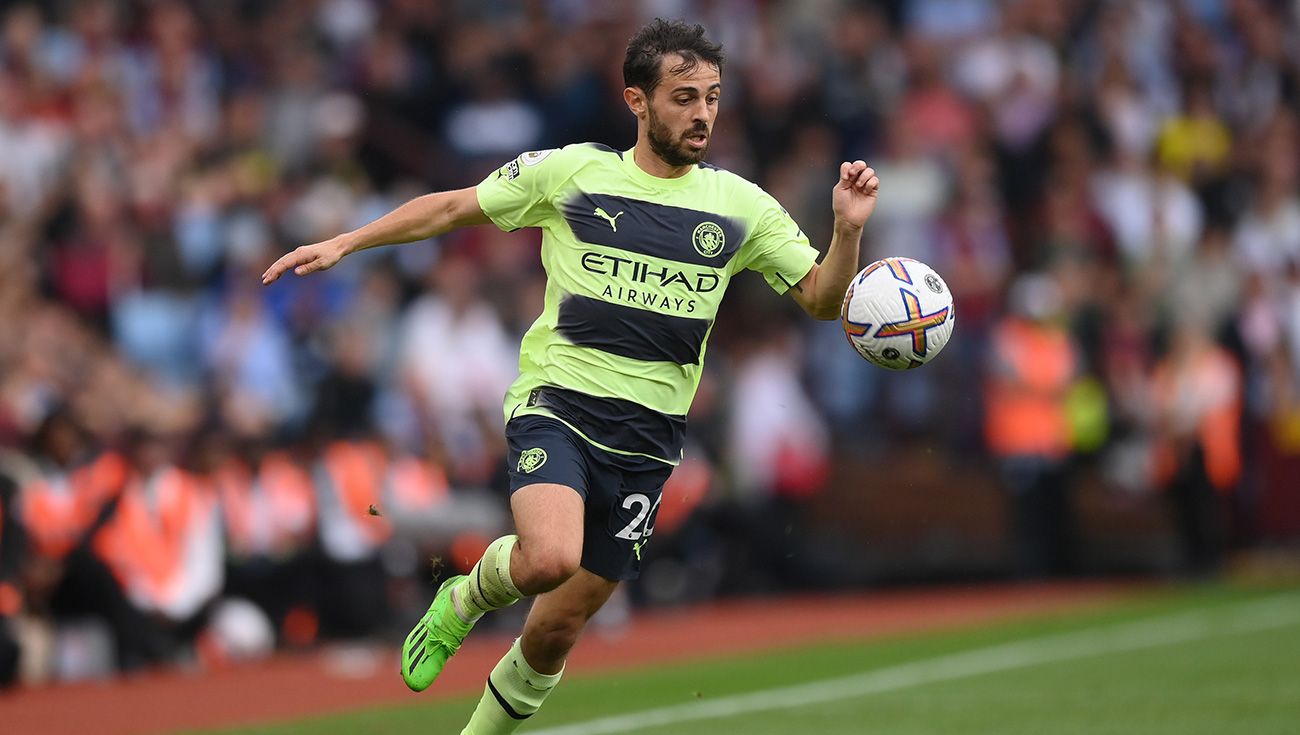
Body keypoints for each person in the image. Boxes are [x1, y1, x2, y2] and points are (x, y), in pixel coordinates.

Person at [262, 19, 880, 735]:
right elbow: (453, 205)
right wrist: (348, 240)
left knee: (556, 629)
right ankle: (463, 600)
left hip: (649, 442)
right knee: (550, 556)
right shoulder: (574, 173)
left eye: (712, 96)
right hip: (558, 404)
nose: (703, 113)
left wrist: (847, 229)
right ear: (637, 101)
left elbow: (821, 299)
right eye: (684, 97)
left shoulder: (741, 207)